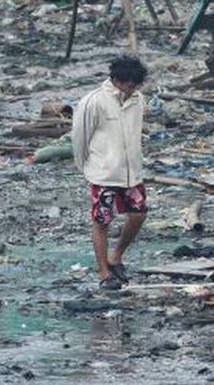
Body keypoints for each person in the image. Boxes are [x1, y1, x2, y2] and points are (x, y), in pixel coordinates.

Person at [72, 55, 149, 290]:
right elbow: (80, 138)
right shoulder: (93, 101)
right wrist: (87, 167)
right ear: (116, 80)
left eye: (135, 85)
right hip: (103, 173)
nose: (131, 89)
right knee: (102, 222)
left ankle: (116, 255)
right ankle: (104, 272)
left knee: (138, 215)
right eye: (128, 85)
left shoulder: (138, 100)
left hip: (132, 173)